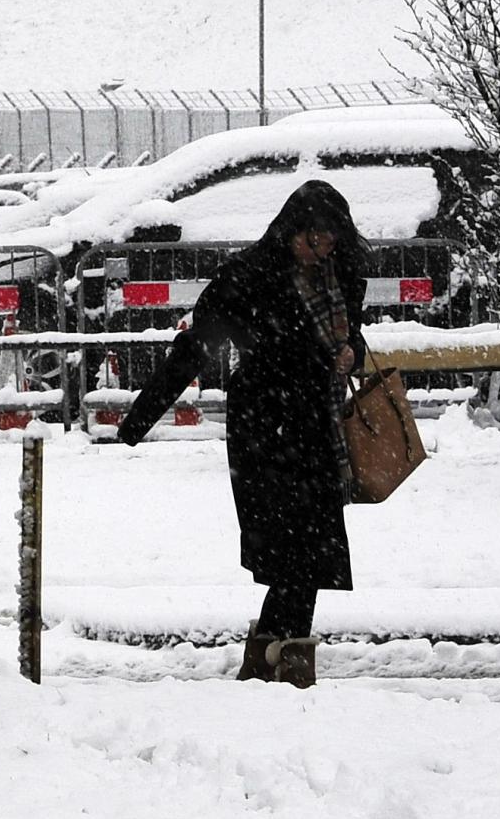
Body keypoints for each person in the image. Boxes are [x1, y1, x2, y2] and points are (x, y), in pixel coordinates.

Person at [115, 179, 369, 688]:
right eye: (311, 240)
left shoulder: (340, 275)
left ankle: (268, 667)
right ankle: (285, 667)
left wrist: (351, 354)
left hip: (319, 430)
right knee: (294, 556)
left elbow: (351, 337)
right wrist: (138, 421)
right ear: (288, 230)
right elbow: (194, 348)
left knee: (308, 557)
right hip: (266, 433)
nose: (319, 250)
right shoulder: (248, 277)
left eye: (329, 241)